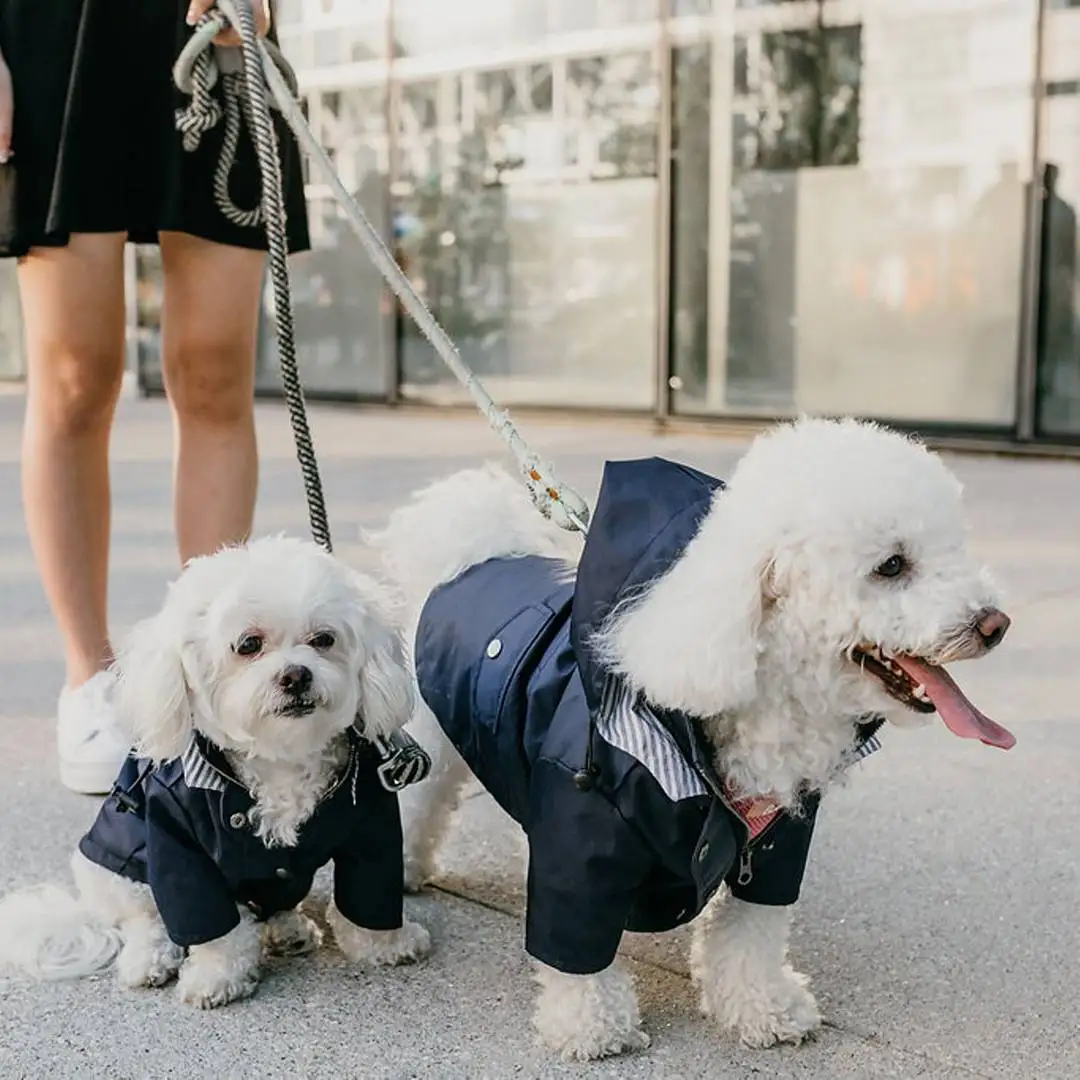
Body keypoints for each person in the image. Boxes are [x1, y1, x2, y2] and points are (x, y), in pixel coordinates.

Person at [0, 0, 310, 794]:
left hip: (199, 27)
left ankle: (211, 669)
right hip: (51, 35)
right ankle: (89, 678)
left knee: (214, 371)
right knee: (76, 375)